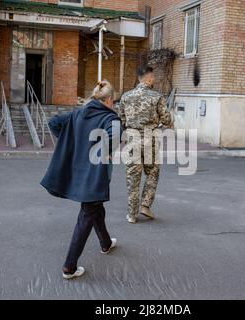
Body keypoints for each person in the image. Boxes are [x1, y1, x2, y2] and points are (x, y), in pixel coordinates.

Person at [40, 80, 122, 280]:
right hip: (96, 173)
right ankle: (69, 267)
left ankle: (105, 243)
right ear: (110, 100)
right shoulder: (113, 119)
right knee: (88, 213)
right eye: (114, 101)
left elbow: (54, 123)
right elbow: (112, 140)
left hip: (79, 170)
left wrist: (74, 144)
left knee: (94, 206)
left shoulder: (78, 113)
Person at [119, 65, 173, 224]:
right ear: (149, 78)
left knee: (132, 177)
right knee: (152, 173)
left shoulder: (126, 96)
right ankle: (145, 205)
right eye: (153, 77)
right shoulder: (157, 97)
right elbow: (167, 120)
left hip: (133, 139)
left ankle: (132, 215)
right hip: (151, 139)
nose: (154, 79)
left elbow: (121, 118)